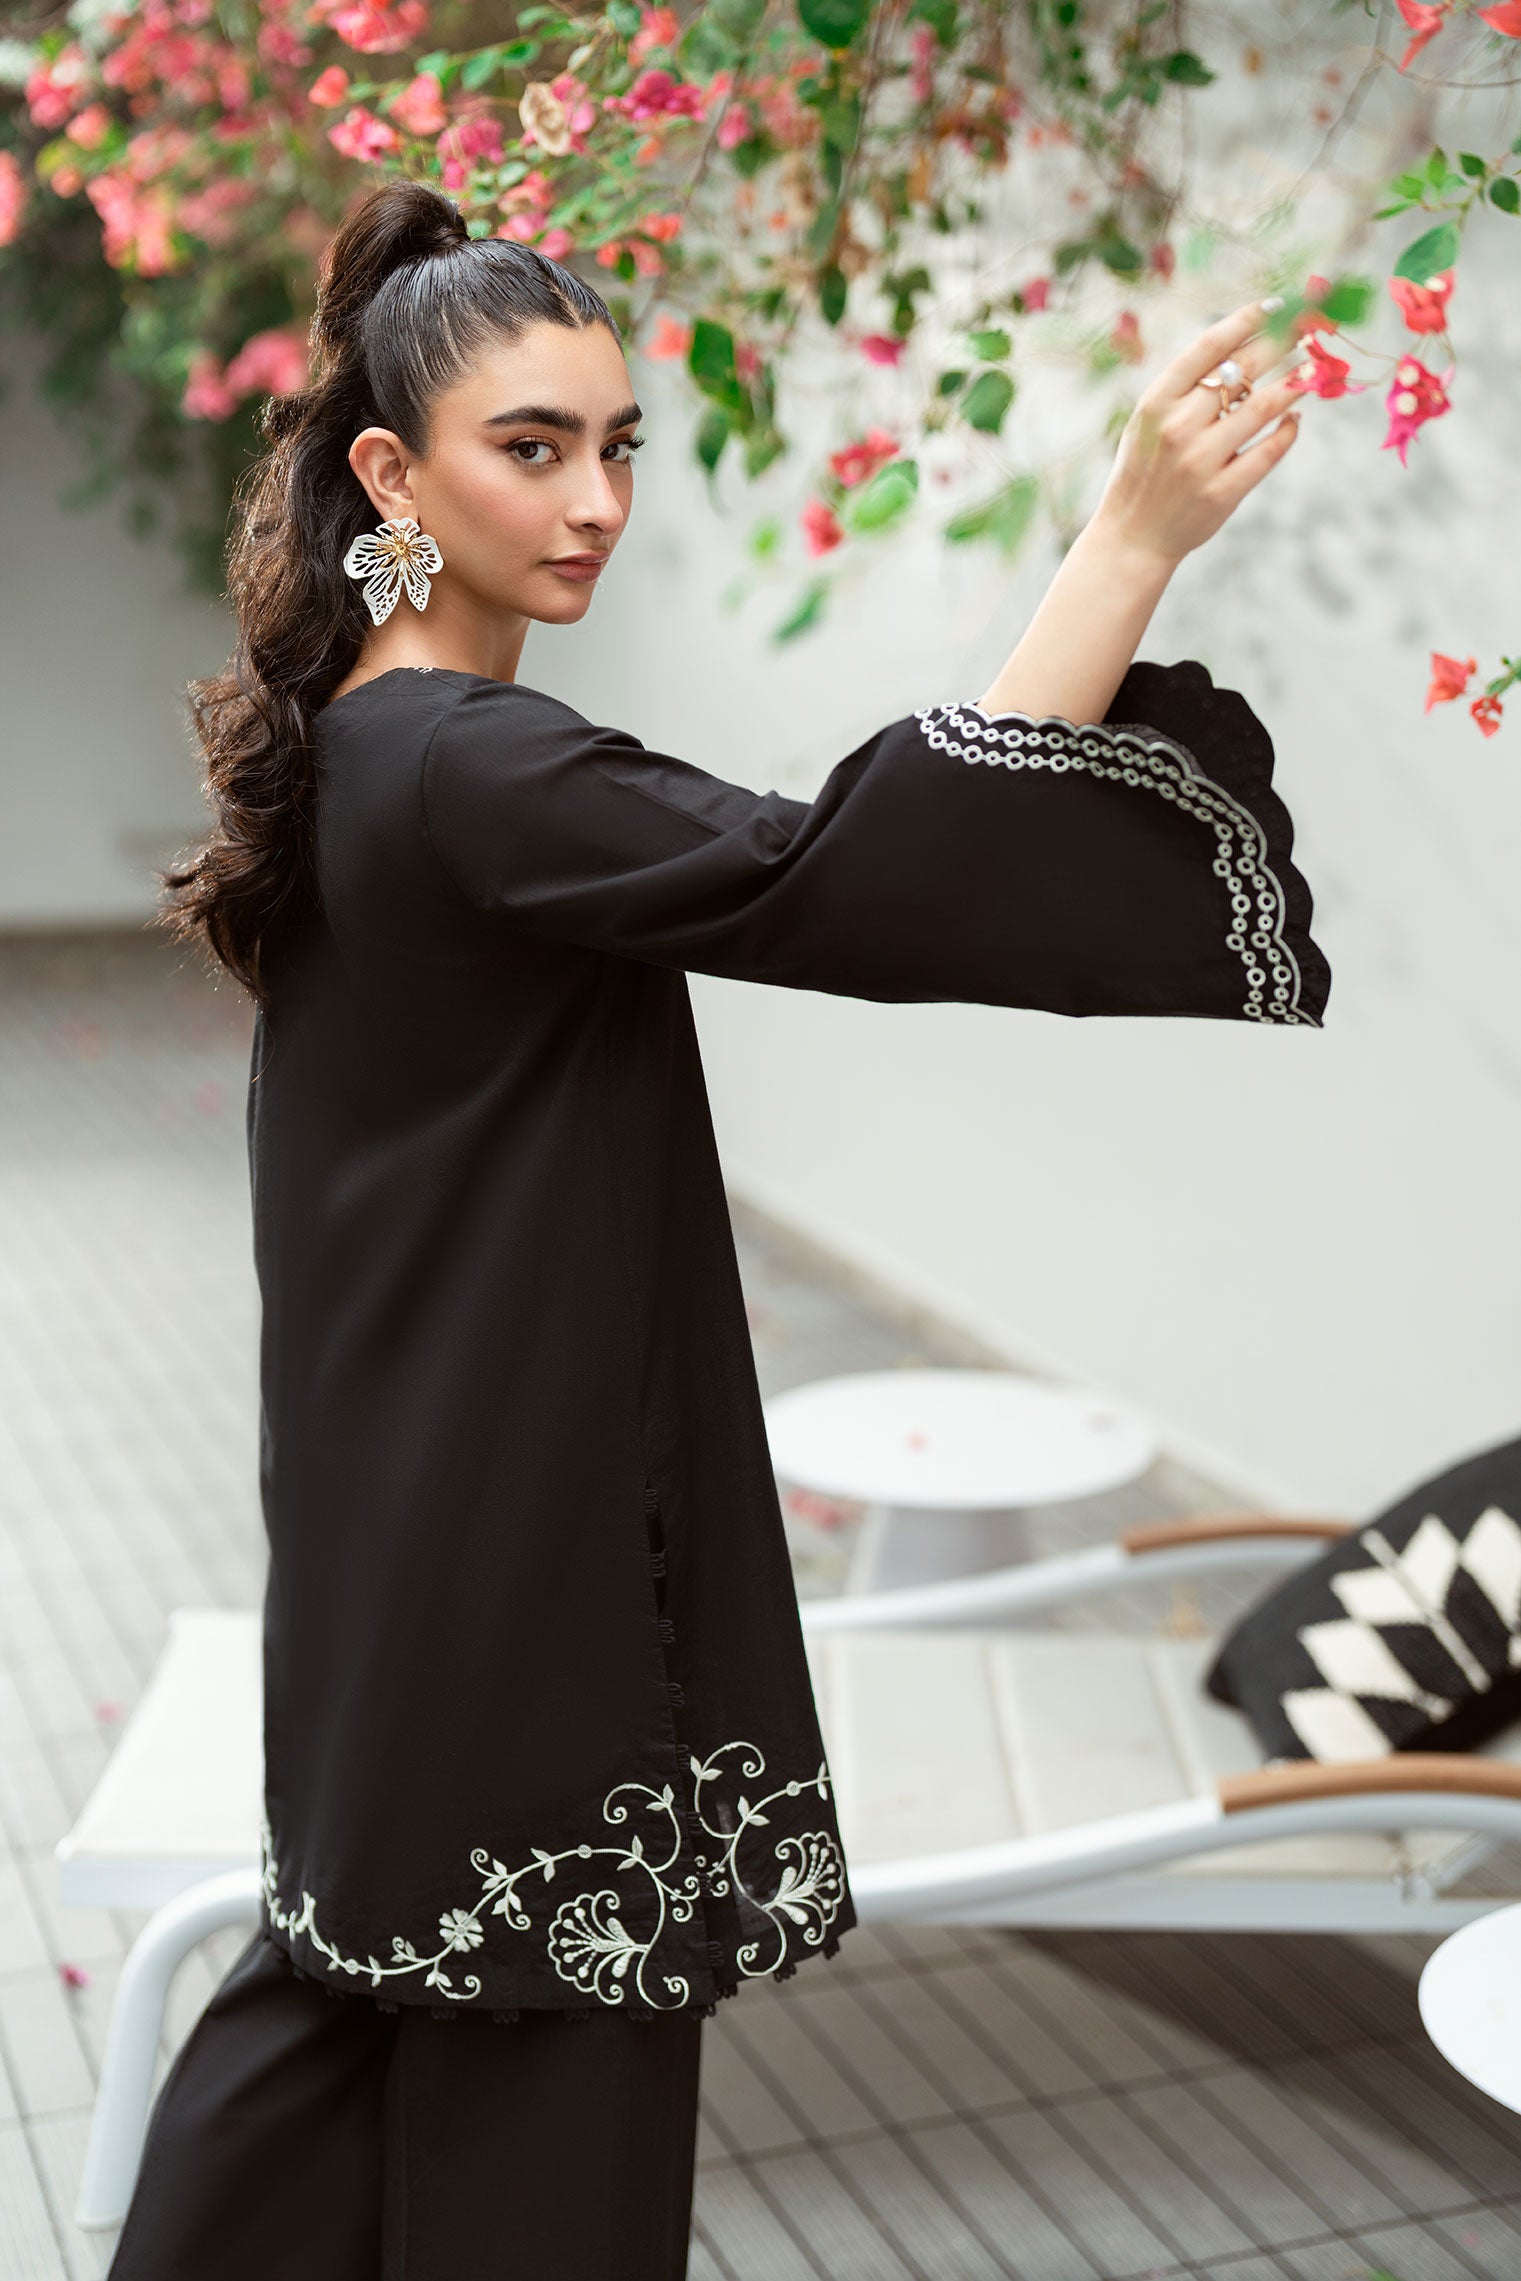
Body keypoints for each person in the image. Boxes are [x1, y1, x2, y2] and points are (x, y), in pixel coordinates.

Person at [110, 177, 1328, 2280]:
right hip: (515, 1557)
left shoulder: (363, 747)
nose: (594, 501)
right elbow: (845, 875)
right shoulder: (468, 764)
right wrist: (1123, 543)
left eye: (615, 445)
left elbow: (820, 864)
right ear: (390, 475)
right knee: (540, 2088)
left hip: (398, 1536)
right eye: (531, 447)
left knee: (344, 2013)